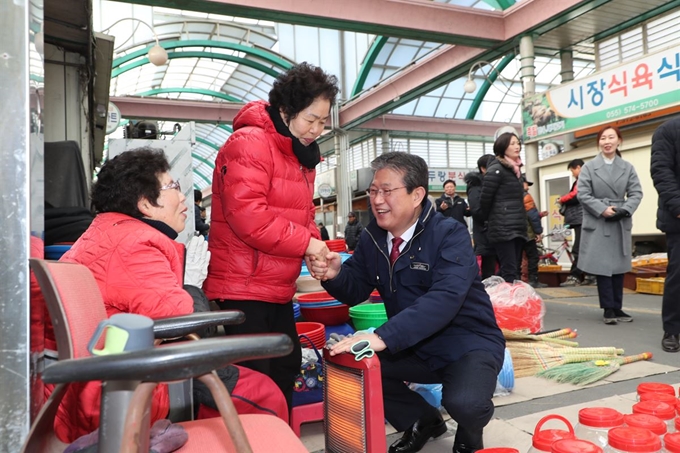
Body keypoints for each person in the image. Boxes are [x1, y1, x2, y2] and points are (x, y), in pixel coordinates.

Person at [55, 149, 286, 443]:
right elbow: (184, 322)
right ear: (145, 204)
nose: (182, 197)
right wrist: (190, 284)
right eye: (173, 187)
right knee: (265, 393)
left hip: (102, 385)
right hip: (136, 388)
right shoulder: (134, 244)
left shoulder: (107, 233)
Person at [310, 152, 505, 453]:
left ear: (417, 195)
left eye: (387, 191)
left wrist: (381, 336)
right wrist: (335, 275)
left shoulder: (449, 235)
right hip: (413, 346)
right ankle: (422, 419)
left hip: (466, 343)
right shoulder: (373, 238)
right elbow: (355, 289)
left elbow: (444, 300)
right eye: (373, 190)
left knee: (466, 403)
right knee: (353, 366)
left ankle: (469, 427)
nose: (376, 199)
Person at [203, 62, 339, 411]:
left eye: (324, 121)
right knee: (253, 380)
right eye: (311, 118)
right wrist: (306, 242)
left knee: (285, 366)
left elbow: (298, 213)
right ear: (285, 109)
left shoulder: (298, 154)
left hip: (277, 285)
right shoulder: (249, 143)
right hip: (243, 285)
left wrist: (312, 247)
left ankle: (276, 438)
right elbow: (249, 217)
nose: (317, 129)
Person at [577, 125, 643, 325]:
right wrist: (601, 209)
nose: (607, 141)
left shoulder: (627, 167)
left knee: (619, 266)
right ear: (599, 142)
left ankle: (617, 307)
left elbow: (636, 192)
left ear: (618, 141)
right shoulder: (589, 167)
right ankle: (608, 308)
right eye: (603, 138)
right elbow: (583, 193)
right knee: (603, 266)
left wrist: (625, 209)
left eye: (611, 137)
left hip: (620, 219)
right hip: (599, 220)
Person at [480, 132, 528, 283]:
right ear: (502, 147)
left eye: (518, 143)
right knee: (509, 269)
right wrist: (493, 220)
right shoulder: (496, 169)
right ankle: (505, 303)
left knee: (512, 269)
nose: (517, 146)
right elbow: (485, 200)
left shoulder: (515, 170)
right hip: (503, 227)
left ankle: (494, 296)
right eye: (512, 143)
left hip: (517, 225)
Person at [650, 116, 680, 352]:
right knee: (678, 276)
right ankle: (672, 329)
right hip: (678, 219)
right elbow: (661, 172)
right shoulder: (668, 130)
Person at [558, 159, 596, 287]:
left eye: (572, 170)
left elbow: (576, 196)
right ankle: (590, 275)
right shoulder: (589, 178)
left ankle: (576, 276)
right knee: (585, 248)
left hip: (582, 218)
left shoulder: (583, 179)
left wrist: (562, 199)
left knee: (579, 249)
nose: (573, 173)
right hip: (584, 218)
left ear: (578, 167)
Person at [465, 155, 497, 279]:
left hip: (497, 232)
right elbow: (477, 211)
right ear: (483, 169)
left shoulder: (493, 184)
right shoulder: (476, 187)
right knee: (488, 269)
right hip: (485, 233)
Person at [520, 175, 548, 288]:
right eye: (527, 184)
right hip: (527, 233)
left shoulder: (510, 196)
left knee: (517, 257)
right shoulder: (526, 197)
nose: (528, 187)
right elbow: (532, 216)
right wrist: (538, 232)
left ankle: (517, 280)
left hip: (515, 232)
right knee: (533, 256)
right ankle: (533, 280)